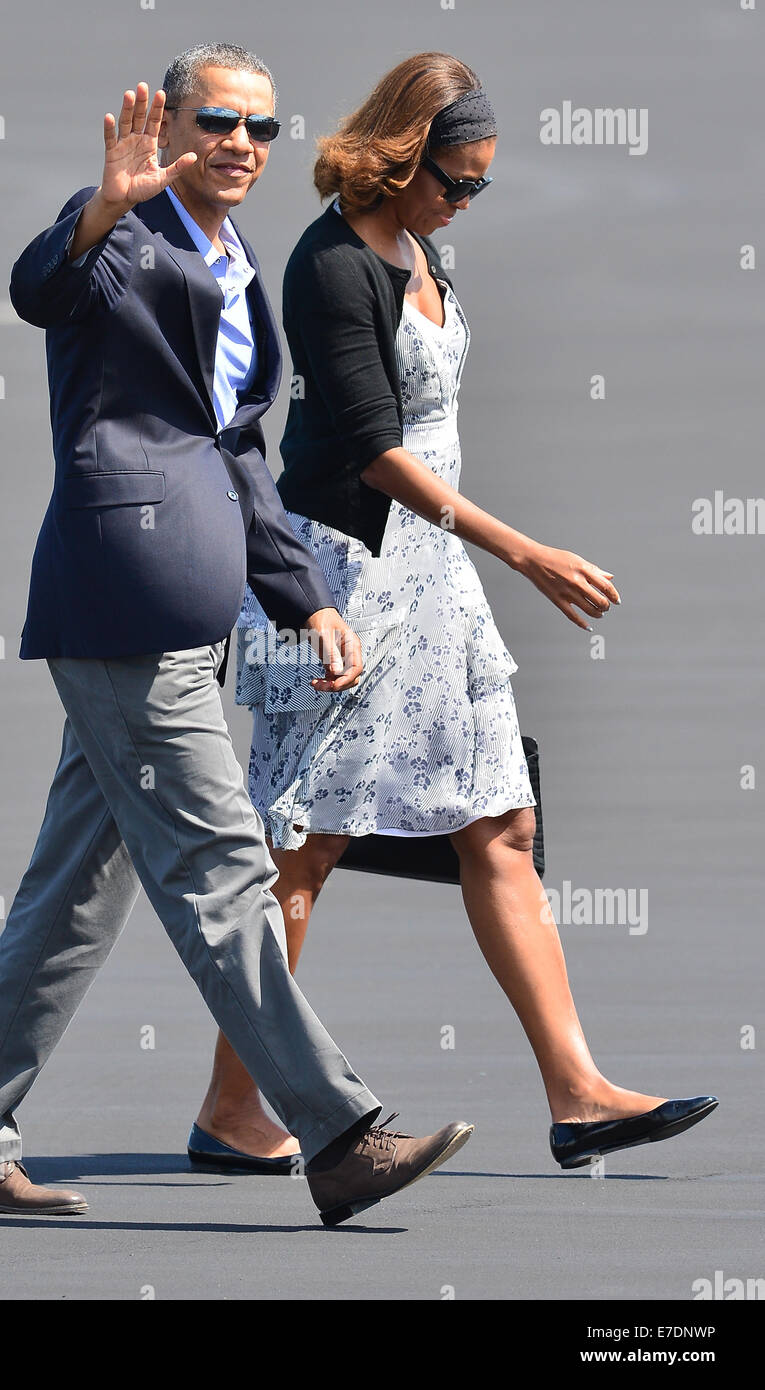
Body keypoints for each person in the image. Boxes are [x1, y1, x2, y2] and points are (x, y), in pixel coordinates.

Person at [0, 43, 474, 1229]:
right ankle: (340, 1135)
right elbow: (42, 291)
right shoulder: (122, 231)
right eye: (218, 121)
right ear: (169, 123)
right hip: (124, 601)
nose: (242, 146)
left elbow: (235, 458)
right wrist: (102, 207)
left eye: (262, 130)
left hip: (190, 605)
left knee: (74, 894)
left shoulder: (236, 259)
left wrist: (303, 596)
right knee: (222, 871)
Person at [190, 51, 716, 1174]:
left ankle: (578, 1094)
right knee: (305, 843)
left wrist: (483, 564)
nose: (463, 201)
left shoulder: (416, 246)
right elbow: (375, 449)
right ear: (398, 156)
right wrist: (524, 550)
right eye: (454, 182)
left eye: (479, 188)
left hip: (436, 583)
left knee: (503, 826)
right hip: (340, 579)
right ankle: (235, 1109)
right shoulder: (331, 264)